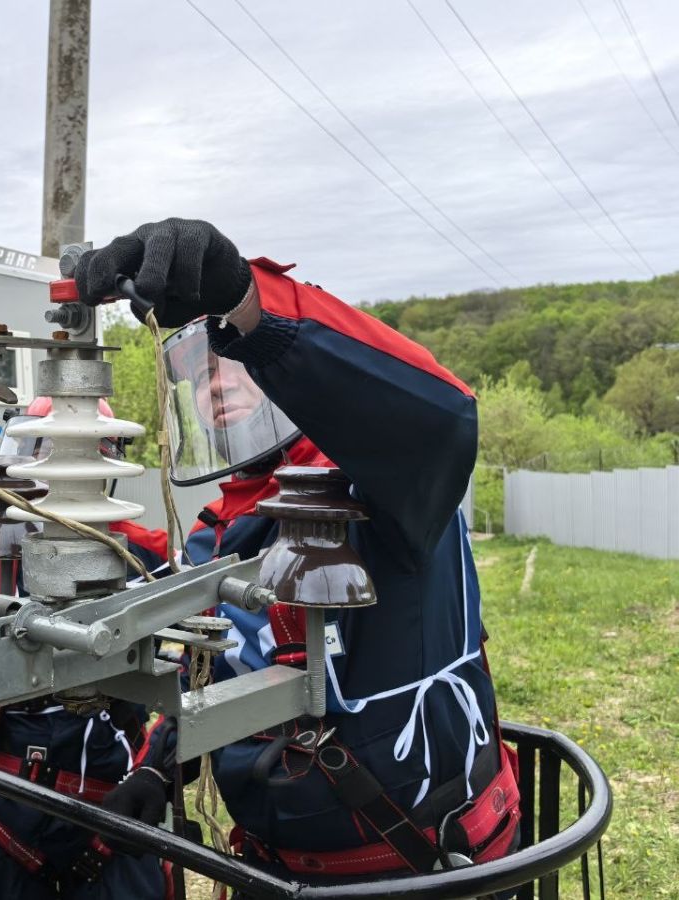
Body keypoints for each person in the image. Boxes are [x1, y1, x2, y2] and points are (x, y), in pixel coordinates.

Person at [75, 219, 519, 884]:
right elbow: (219, 673)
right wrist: (158, 764)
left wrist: (253, 303)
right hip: (272, 874)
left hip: (418, 872)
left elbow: (444, 418)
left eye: (230, 358)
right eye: (197, 373)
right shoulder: (217, 533)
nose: (214, 384)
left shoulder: (384, 493)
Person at [0, 397, 173, 899]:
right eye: (37, 451)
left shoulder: (143, 555)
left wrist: (160, 767)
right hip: (6, 793)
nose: (49, 469)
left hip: (118, 795)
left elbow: (208, 656)